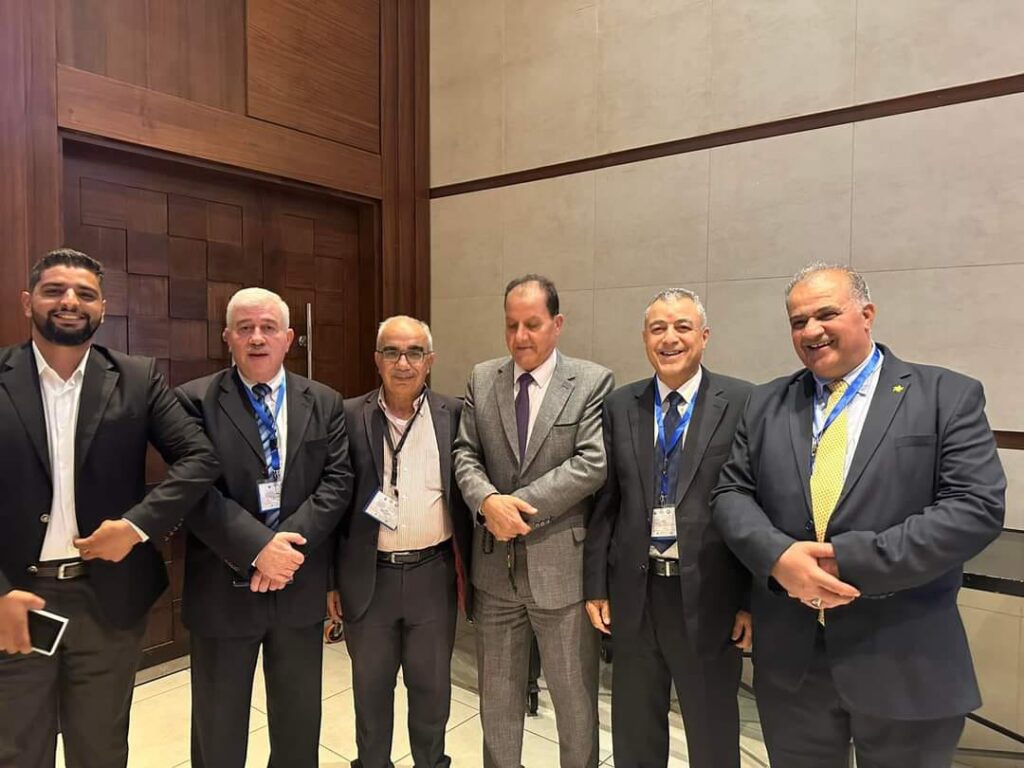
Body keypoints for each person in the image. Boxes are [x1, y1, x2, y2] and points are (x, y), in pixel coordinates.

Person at [711, 262, 1006, 768]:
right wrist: (778, 557)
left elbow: (974, 507)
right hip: (793, 667)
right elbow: (731, 493)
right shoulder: (765, 403)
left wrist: (846, 561)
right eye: (798, 321)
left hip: (904, 658)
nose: (811, 331)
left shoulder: (946, 395)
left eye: (826, 314)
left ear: (867, 314)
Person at [0, 248, 219, 767]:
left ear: (102, 308)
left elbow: (199, 458)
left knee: (100, 750)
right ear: (28, 301)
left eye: (85, 293)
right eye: (54, 290)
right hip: (16, 600)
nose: (69, 301)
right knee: (16, 750)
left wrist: (137, 526)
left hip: (108, 601)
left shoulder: (137, 378)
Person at [176, 287, 352, 768]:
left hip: (297, 586)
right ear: (227, 337)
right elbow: (192, 491)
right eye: (245, 328)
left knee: (298, 727)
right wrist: (259, 549)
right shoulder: (193, 401)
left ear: (289, 338)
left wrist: (284, 552)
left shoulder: (325, 401)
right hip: (222, 590)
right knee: (218, 730)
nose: (257, 337)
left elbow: (337, 482)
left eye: (268, 328)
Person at [584, 288, 752, 768]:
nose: (669, 338)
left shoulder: (742, 401)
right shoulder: (621, 405)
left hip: (710, 598)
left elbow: (755, 505)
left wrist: (750, 600)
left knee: (712, 734)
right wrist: (596, 585)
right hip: (635, 595)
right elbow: (606, 502)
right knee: (635, 732)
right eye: (658, 328)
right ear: (644, 338)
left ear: (704, 335)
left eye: (682, 326)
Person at [454, 274, 614, 768]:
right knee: (497, 706)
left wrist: (513, 506)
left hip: (561, 574)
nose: (520, 336)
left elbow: (591, 463)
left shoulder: (591, 382)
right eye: (511, 325)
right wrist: (486, 501)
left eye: (532, 324)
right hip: (494, 574)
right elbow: (465, 454)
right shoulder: (483, 379)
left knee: (575, 706)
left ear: (557, 324)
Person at [328, 315, 473, 768]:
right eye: (391, 352)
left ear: (430, 360)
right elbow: (333, 502)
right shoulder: (348, 415)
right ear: (377, 360)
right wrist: (331, 581)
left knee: (431, 691)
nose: (403, 363)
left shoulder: (455, 415)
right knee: (371, 692)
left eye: (414, 353)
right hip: (369, 578)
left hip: (433, 575)